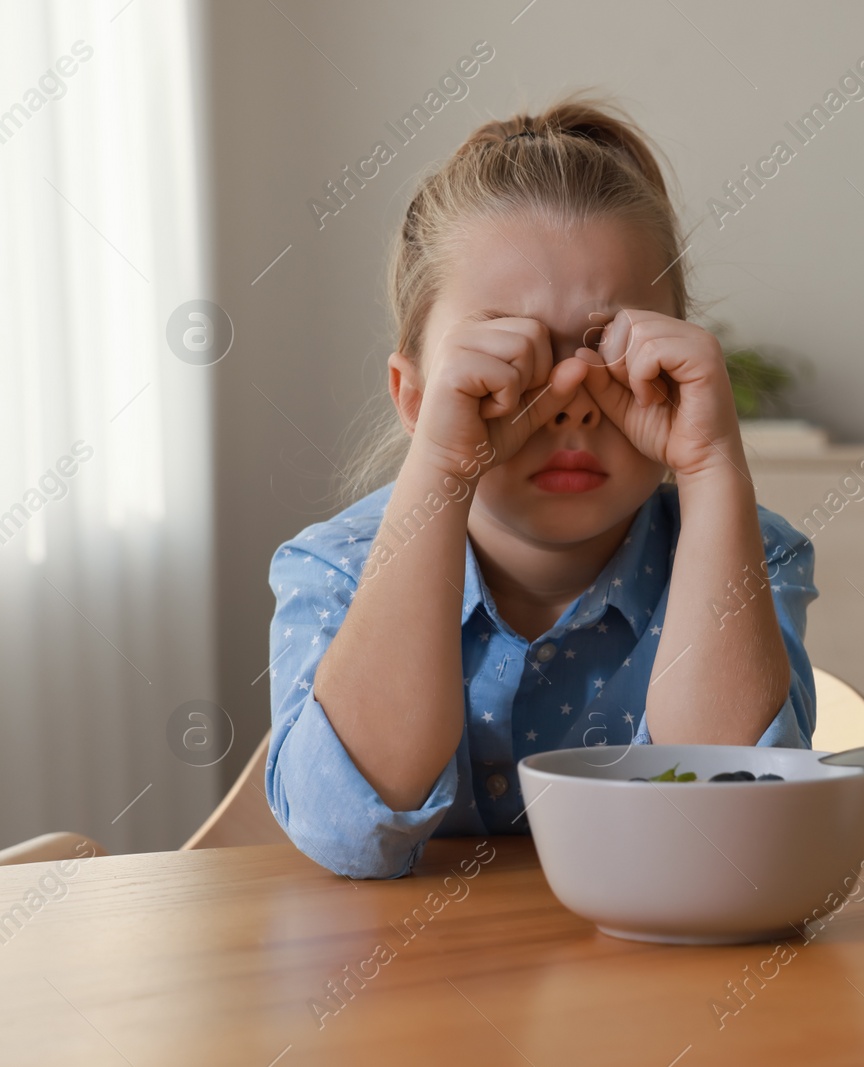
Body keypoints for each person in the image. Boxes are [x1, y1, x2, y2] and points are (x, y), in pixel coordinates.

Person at [263, 94, 817, 879]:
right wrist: (442, 467)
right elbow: (344, 830)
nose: (571, 400)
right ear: (416, 397)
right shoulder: (337, 570)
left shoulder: (747, 551)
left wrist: (710, 465)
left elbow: (739, 823)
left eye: (611, 350)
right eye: (506, 356)